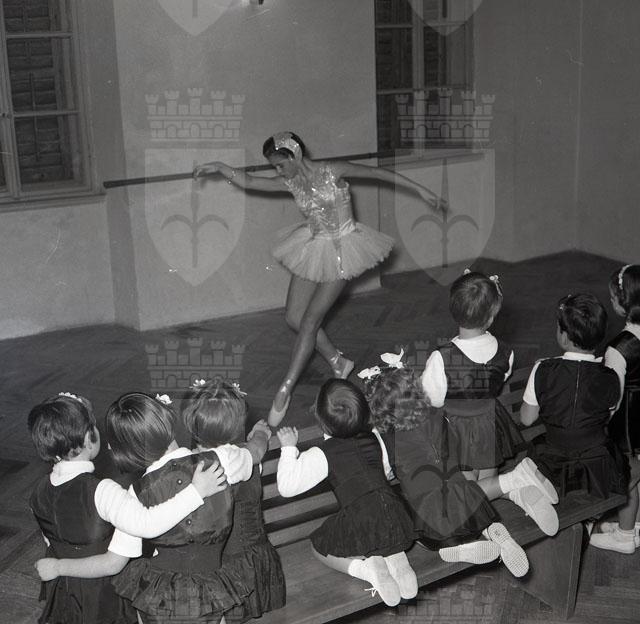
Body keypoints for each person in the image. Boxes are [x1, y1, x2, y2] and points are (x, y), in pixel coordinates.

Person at [194, 131, 444, 426]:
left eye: (280, 165)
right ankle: (338, 361)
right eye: (274, 167)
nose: (278, 172)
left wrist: (420, 190)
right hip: (314, 246)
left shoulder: (332, 171)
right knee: (294, 317)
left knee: (310, 321)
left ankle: (285, 389)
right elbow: (251, 181)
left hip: (343, 251)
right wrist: (220, 167)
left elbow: (377, 173)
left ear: (295, 154)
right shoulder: (290, 183)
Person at [37, 392, 269, 624]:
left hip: (160, 595)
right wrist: (260, 433)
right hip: (214, 585)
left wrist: (60, 566)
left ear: (126, 450)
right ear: (167, 419)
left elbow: (116, 560)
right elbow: (256, 452)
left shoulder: (135, 494)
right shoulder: (222, 459)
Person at [362, 357, 559, 579]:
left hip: (432, 511)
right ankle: (501, 518)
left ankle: (457, 547)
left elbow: (386, 472)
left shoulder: (383, 439)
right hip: (463, 495)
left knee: (417, 513)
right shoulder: (437, 415)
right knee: (460, 491)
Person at [276, 379, 417, 607]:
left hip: (360, 519)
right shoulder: (374, 437)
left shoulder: (322, 453)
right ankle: (400, 566)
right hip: (394, 512)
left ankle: (367, 569)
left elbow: (287, 486)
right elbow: (386, 472)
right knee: (383, 529)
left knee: (319, 545)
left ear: (322, 422)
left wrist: (288, 448)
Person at [182, 379, 286, 621]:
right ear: (237, 426)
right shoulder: (242, 457)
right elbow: (257, 450)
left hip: (221, 571)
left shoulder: (189, 470)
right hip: (256, 562)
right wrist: (259, 434)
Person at [520, 294, 629, 503]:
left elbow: (527, 419)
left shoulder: (543, 369)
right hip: (597, 467)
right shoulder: (610, 376)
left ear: (563, 336)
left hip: (552, 464)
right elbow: (605, 417)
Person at [420, 270, 523, 478]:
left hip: (455, 431)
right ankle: (507, 485)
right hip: (489, 426)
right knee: (488, 480)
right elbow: (500, 378)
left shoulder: (442, 358)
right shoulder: (506, 352)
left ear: (453, 310)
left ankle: (510, 485)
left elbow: (433, 399)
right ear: (491, 317)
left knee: (465, 488)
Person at [591, 265, 640, 553]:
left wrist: (600, 422)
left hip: (628, 425)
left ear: (623, 305)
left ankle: (624, 537)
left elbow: (612, 397)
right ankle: (635, 525)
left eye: (612, 297)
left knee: (628, 479)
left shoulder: (619, 348)